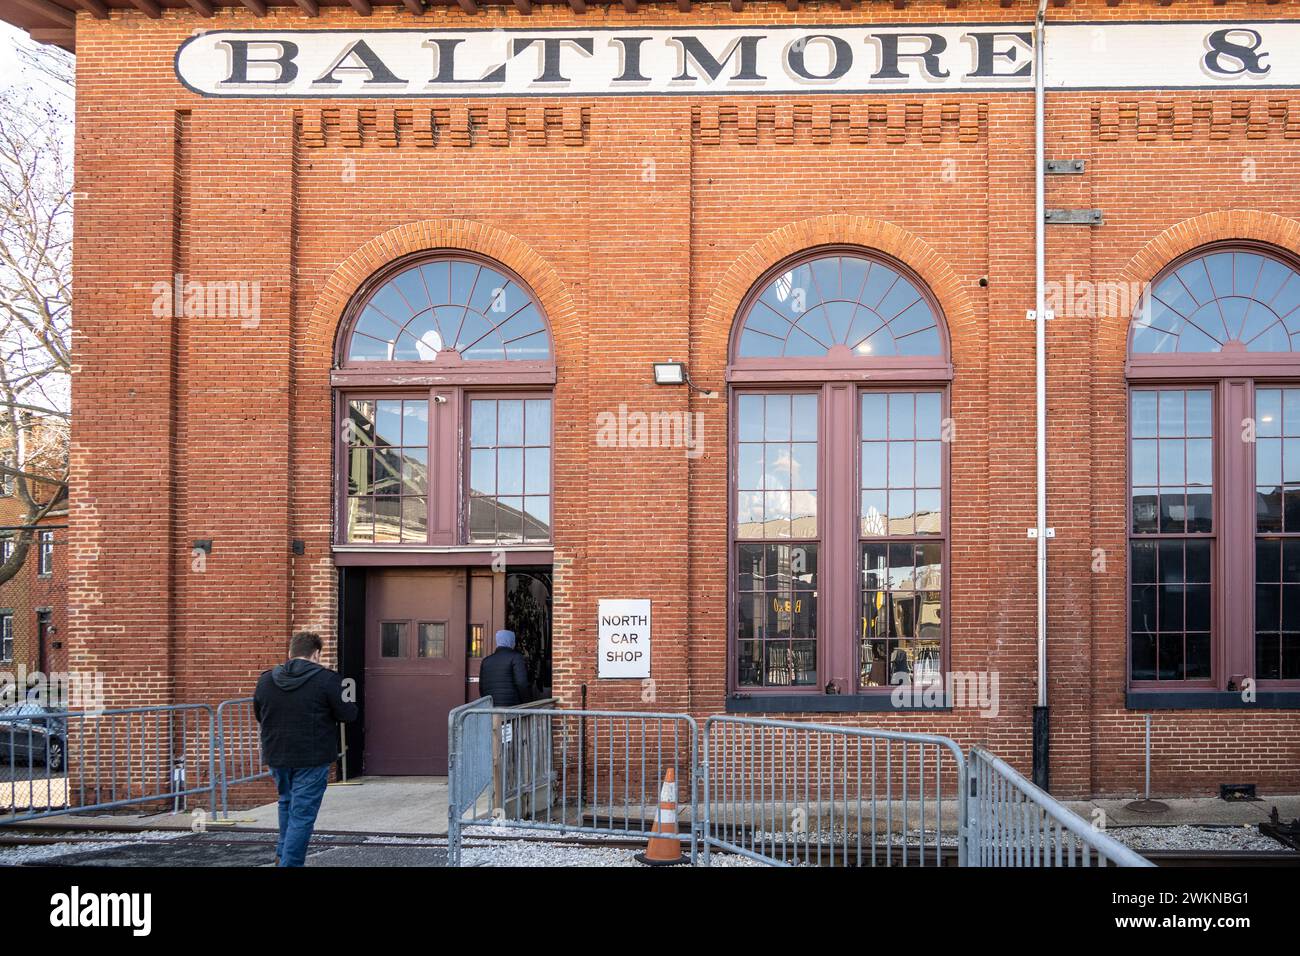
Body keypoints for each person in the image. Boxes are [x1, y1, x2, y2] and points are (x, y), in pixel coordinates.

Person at [253, 631, 357, 867]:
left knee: (286, 802)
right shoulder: (328, 680)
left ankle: (283, 854)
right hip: (313, 755)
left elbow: (260, 713)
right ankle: (291, 863)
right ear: (317, 653)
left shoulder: (266, 679)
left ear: (290, 652)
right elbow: (347, 714)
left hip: (277, 753)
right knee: (302, 813)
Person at [478, 629, 534, 707]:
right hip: (511, 709)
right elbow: (522, 684)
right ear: (511, 641)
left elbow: (481, 688)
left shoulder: (485, 661)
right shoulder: (516, 657)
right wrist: (528, 703)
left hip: (491, 709)